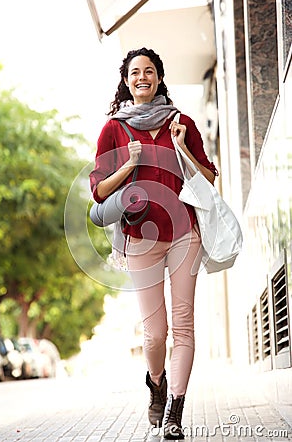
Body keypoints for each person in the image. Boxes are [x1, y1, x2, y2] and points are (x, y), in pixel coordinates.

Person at [89, 47, 218, 439]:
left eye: (149, 71)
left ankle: (175, 412)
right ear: (126, 82)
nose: (141, 77)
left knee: (183, 327)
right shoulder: (114, 129)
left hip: (184, 234)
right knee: (154, 334)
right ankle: (156, 383)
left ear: (159, 78)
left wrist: (182, 149)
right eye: (134, 73)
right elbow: (98, 192)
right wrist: (128, 165)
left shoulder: (182, 123)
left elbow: (210, 177)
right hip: (140, 238)